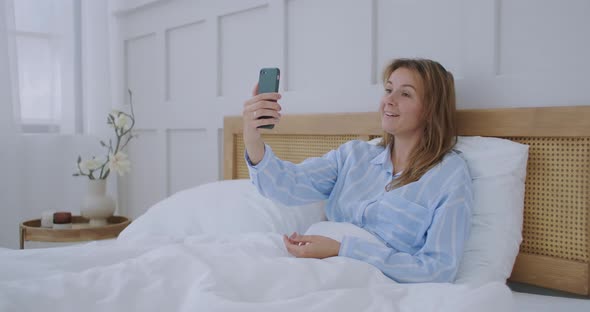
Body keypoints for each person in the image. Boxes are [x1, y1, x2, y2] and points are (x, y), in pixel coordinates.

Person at [241, 58, 472, 283]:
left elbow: (438, 270)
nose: (389, 101)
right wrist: (252, 138)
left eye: (405, 93)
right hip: (309, 263)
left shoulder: (449, 174)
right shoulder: (353, 156)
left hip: (364, 279)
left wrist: (342, 249)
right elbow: (286, 185)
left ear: (431, 109)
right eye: (388, 89)